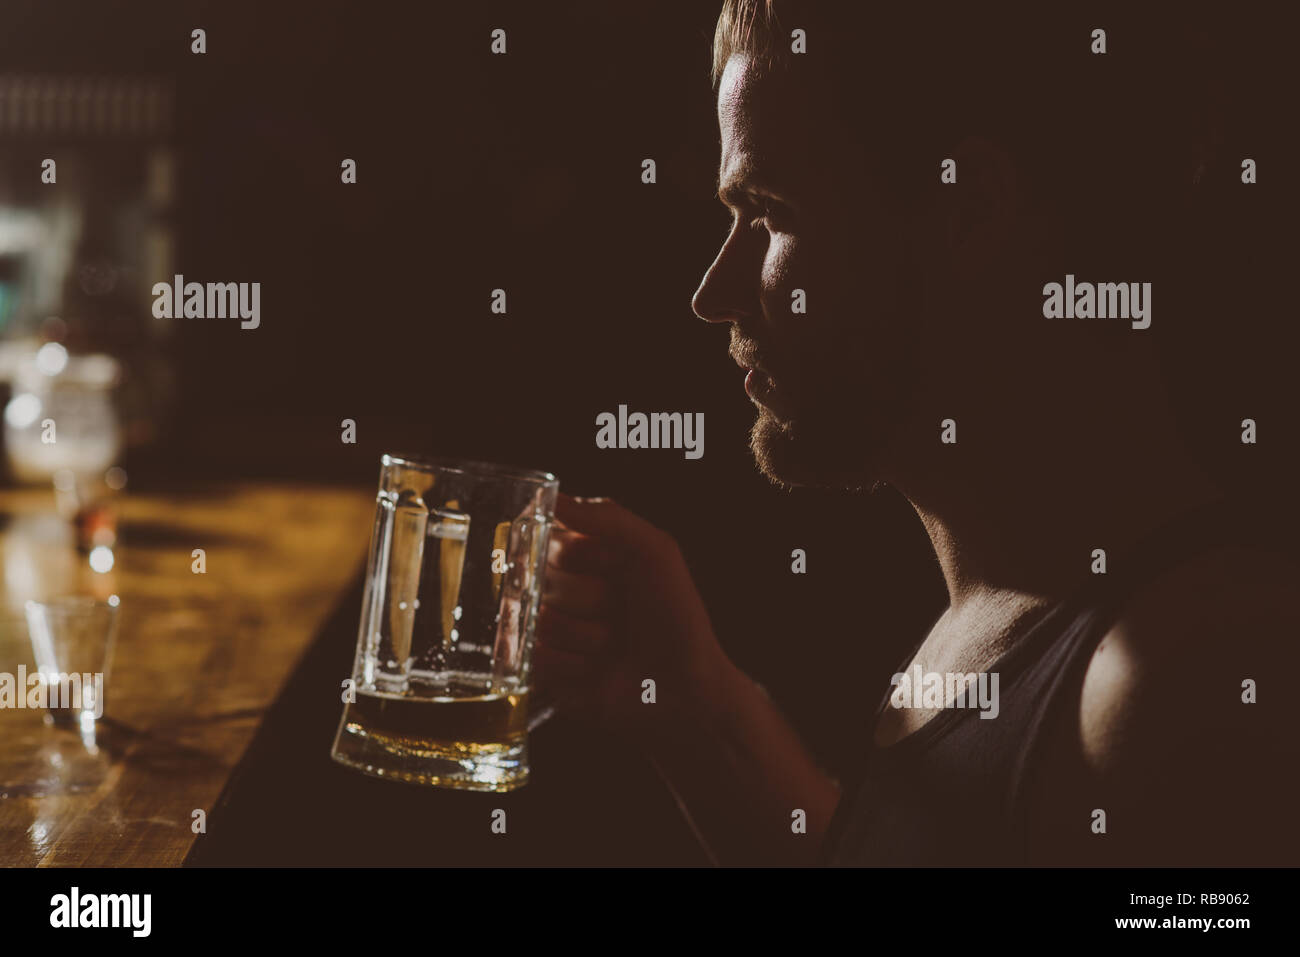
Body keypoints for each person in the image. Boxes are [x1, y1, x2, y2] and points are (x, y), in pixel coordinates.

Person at [533, 1, 1299, 865]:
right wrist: (696, 709)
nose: (715, 292)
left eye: (772, 213)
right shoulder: (1021, 622)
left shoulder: (1186, 684)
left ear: (967, 208)